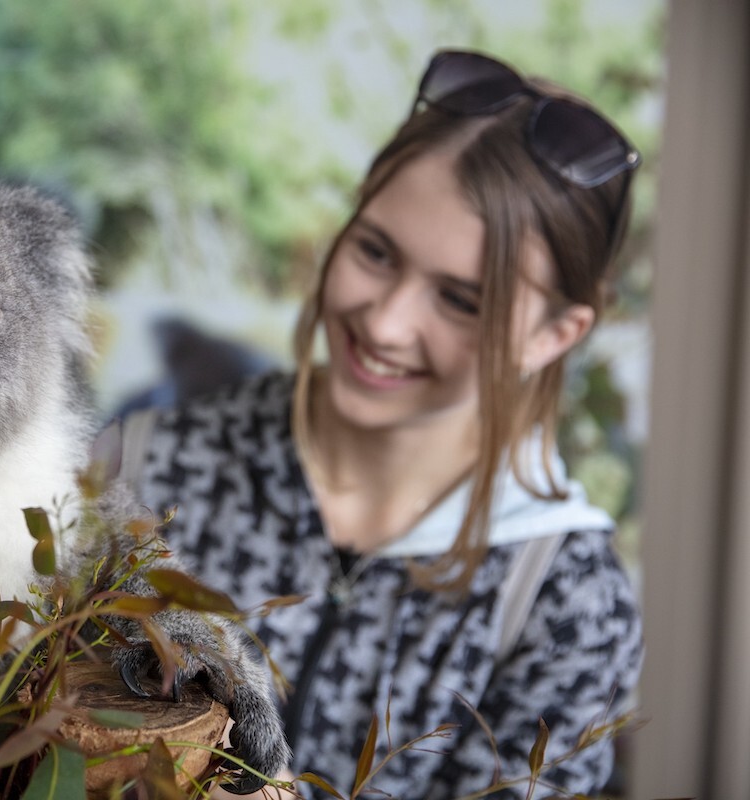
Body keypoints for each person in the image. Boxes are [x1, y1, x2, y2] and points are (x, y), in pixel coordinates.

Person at [120, 49, 643, 799]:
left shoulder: (564, 600)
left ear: (553, 336)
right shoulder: (145, 465)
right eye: (374, 250)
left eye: (461, 300)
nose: (387, 323)